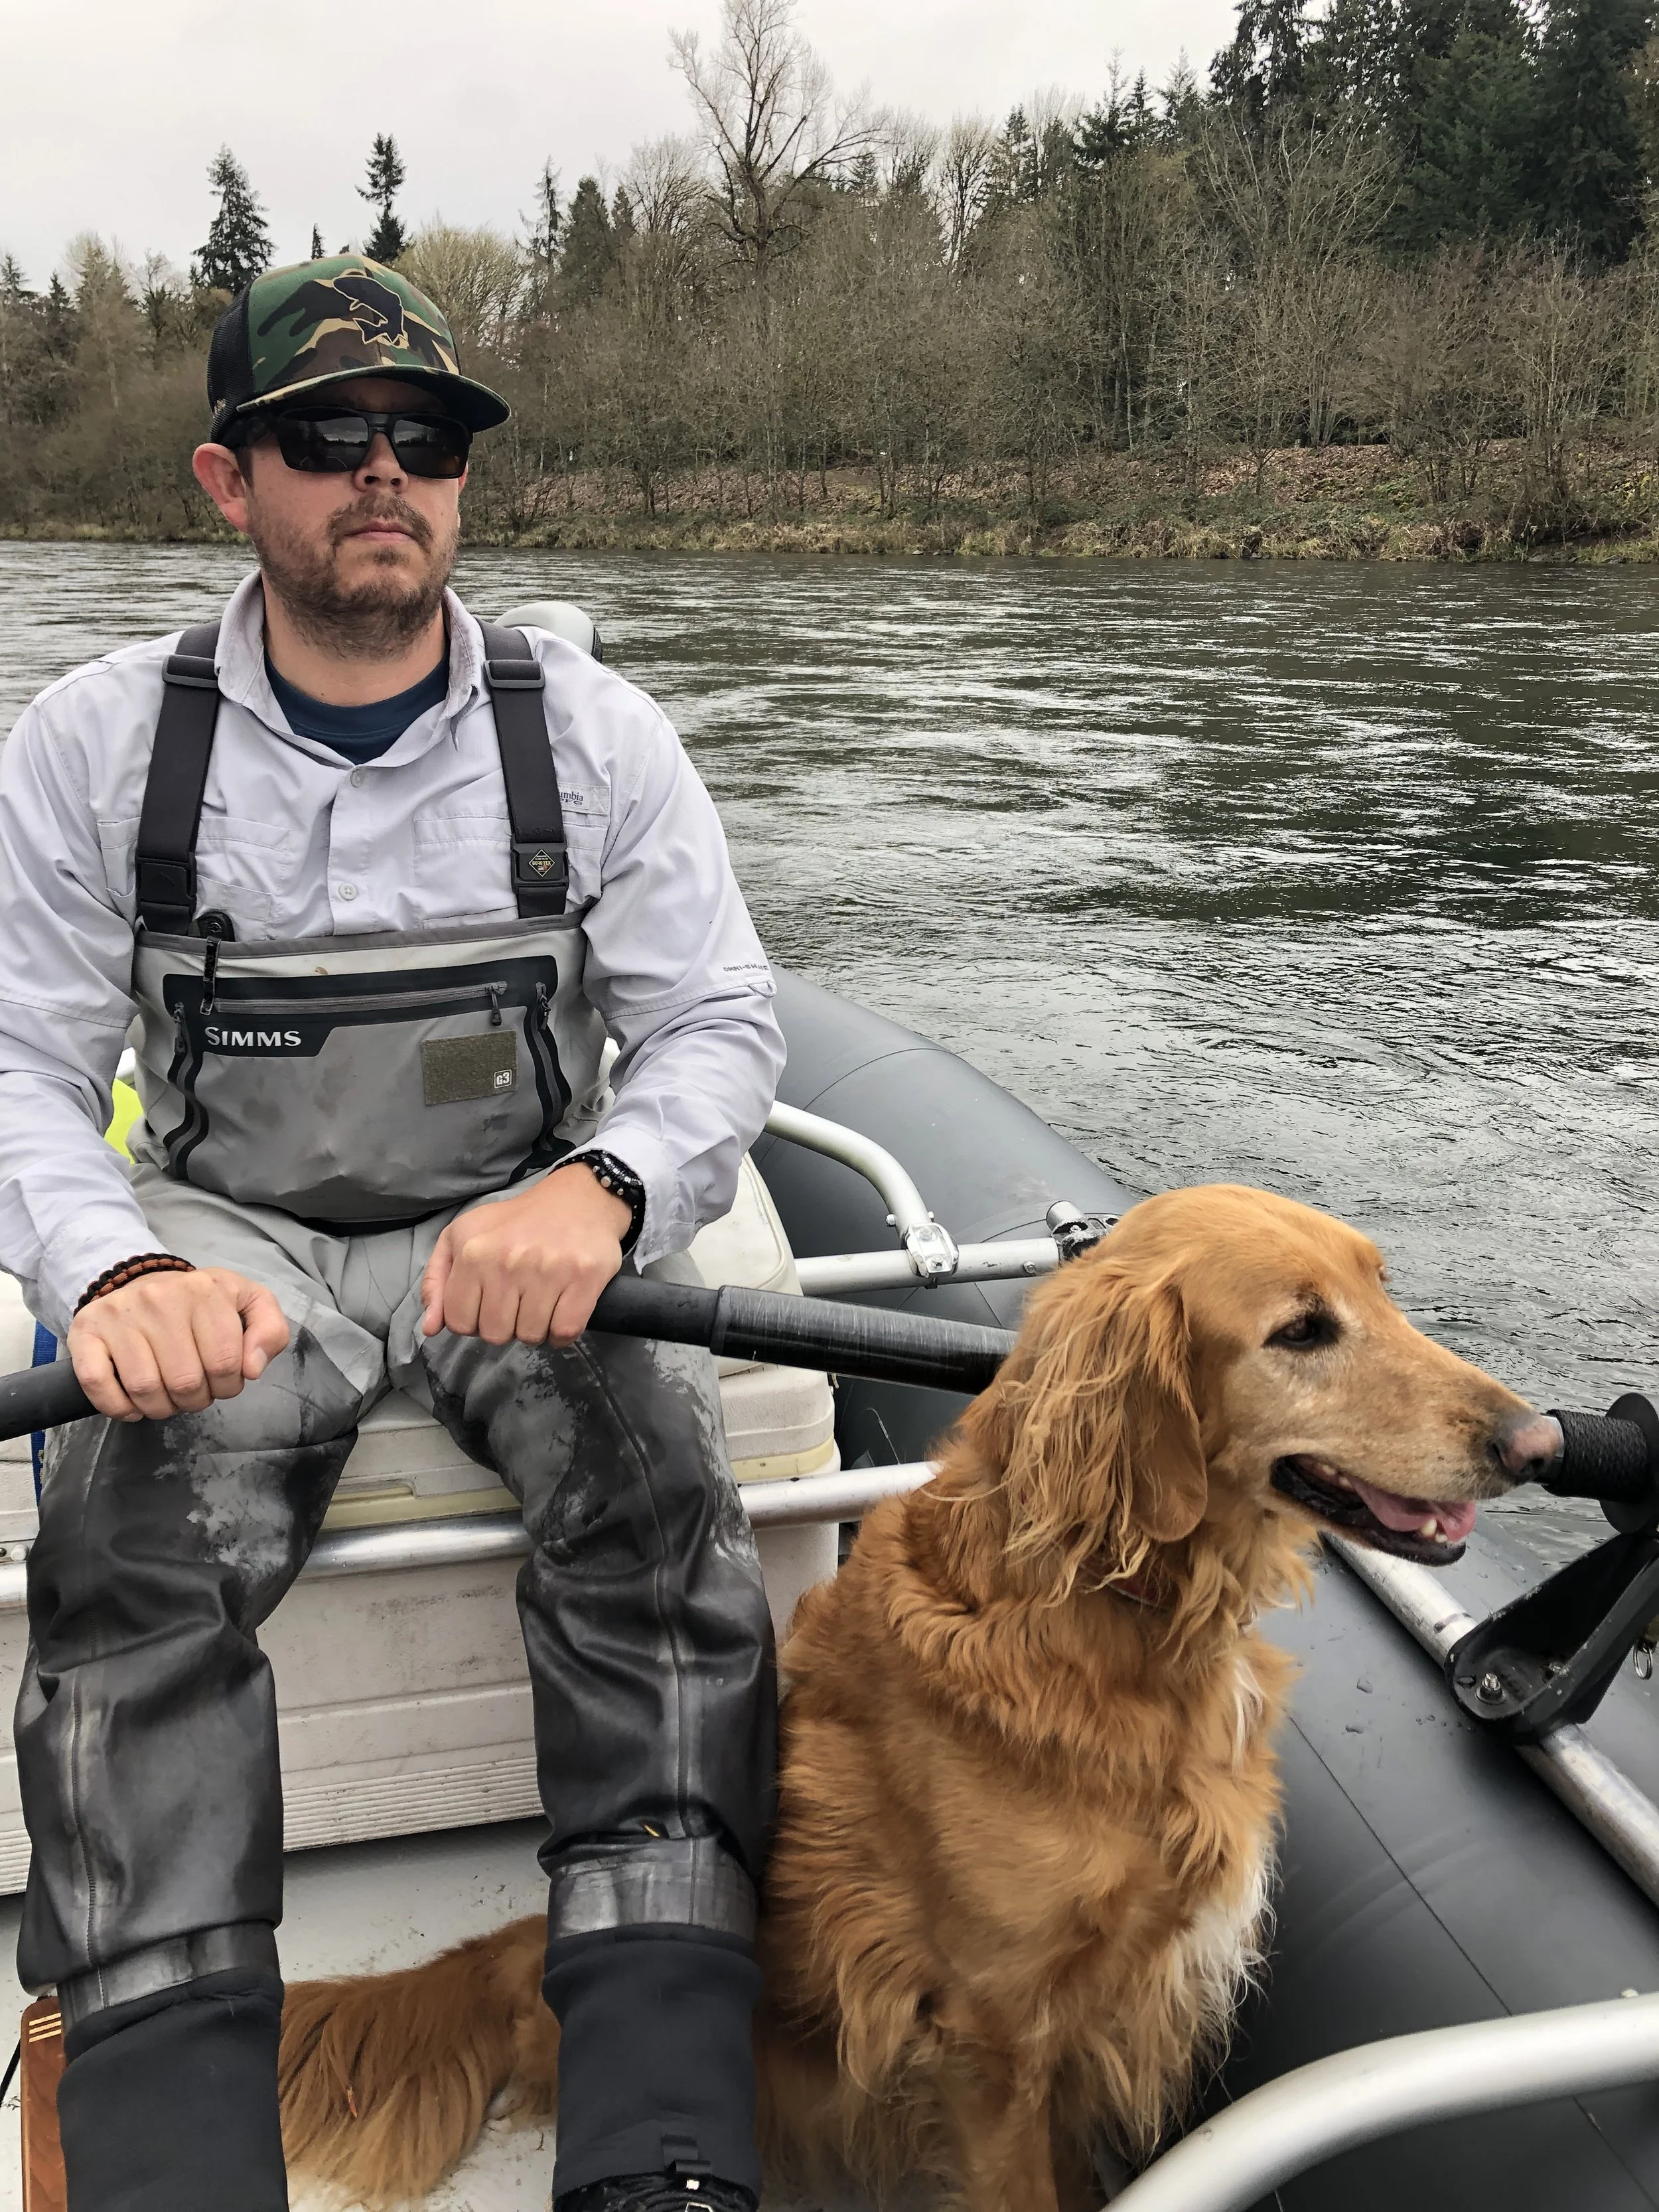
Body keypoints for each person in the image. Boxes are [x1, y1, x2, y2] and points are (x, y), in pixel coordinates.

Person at [0, 256, 782, 2212]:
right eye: (324, 436)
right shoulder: (94, 744)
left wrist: (607, 1189)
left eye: (422, 438)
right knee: (124, 1542)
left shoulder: (593, 734)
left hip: (515, 1227)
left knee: (656, 1485)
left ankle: (665, 2145)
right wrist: (107, 1273)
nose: (382, 472)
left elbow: (713, 1027)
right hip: (224, 1240)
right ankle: (176, 2152)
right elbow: (21, 1067)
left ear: (459, 477)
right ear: (226, 479)